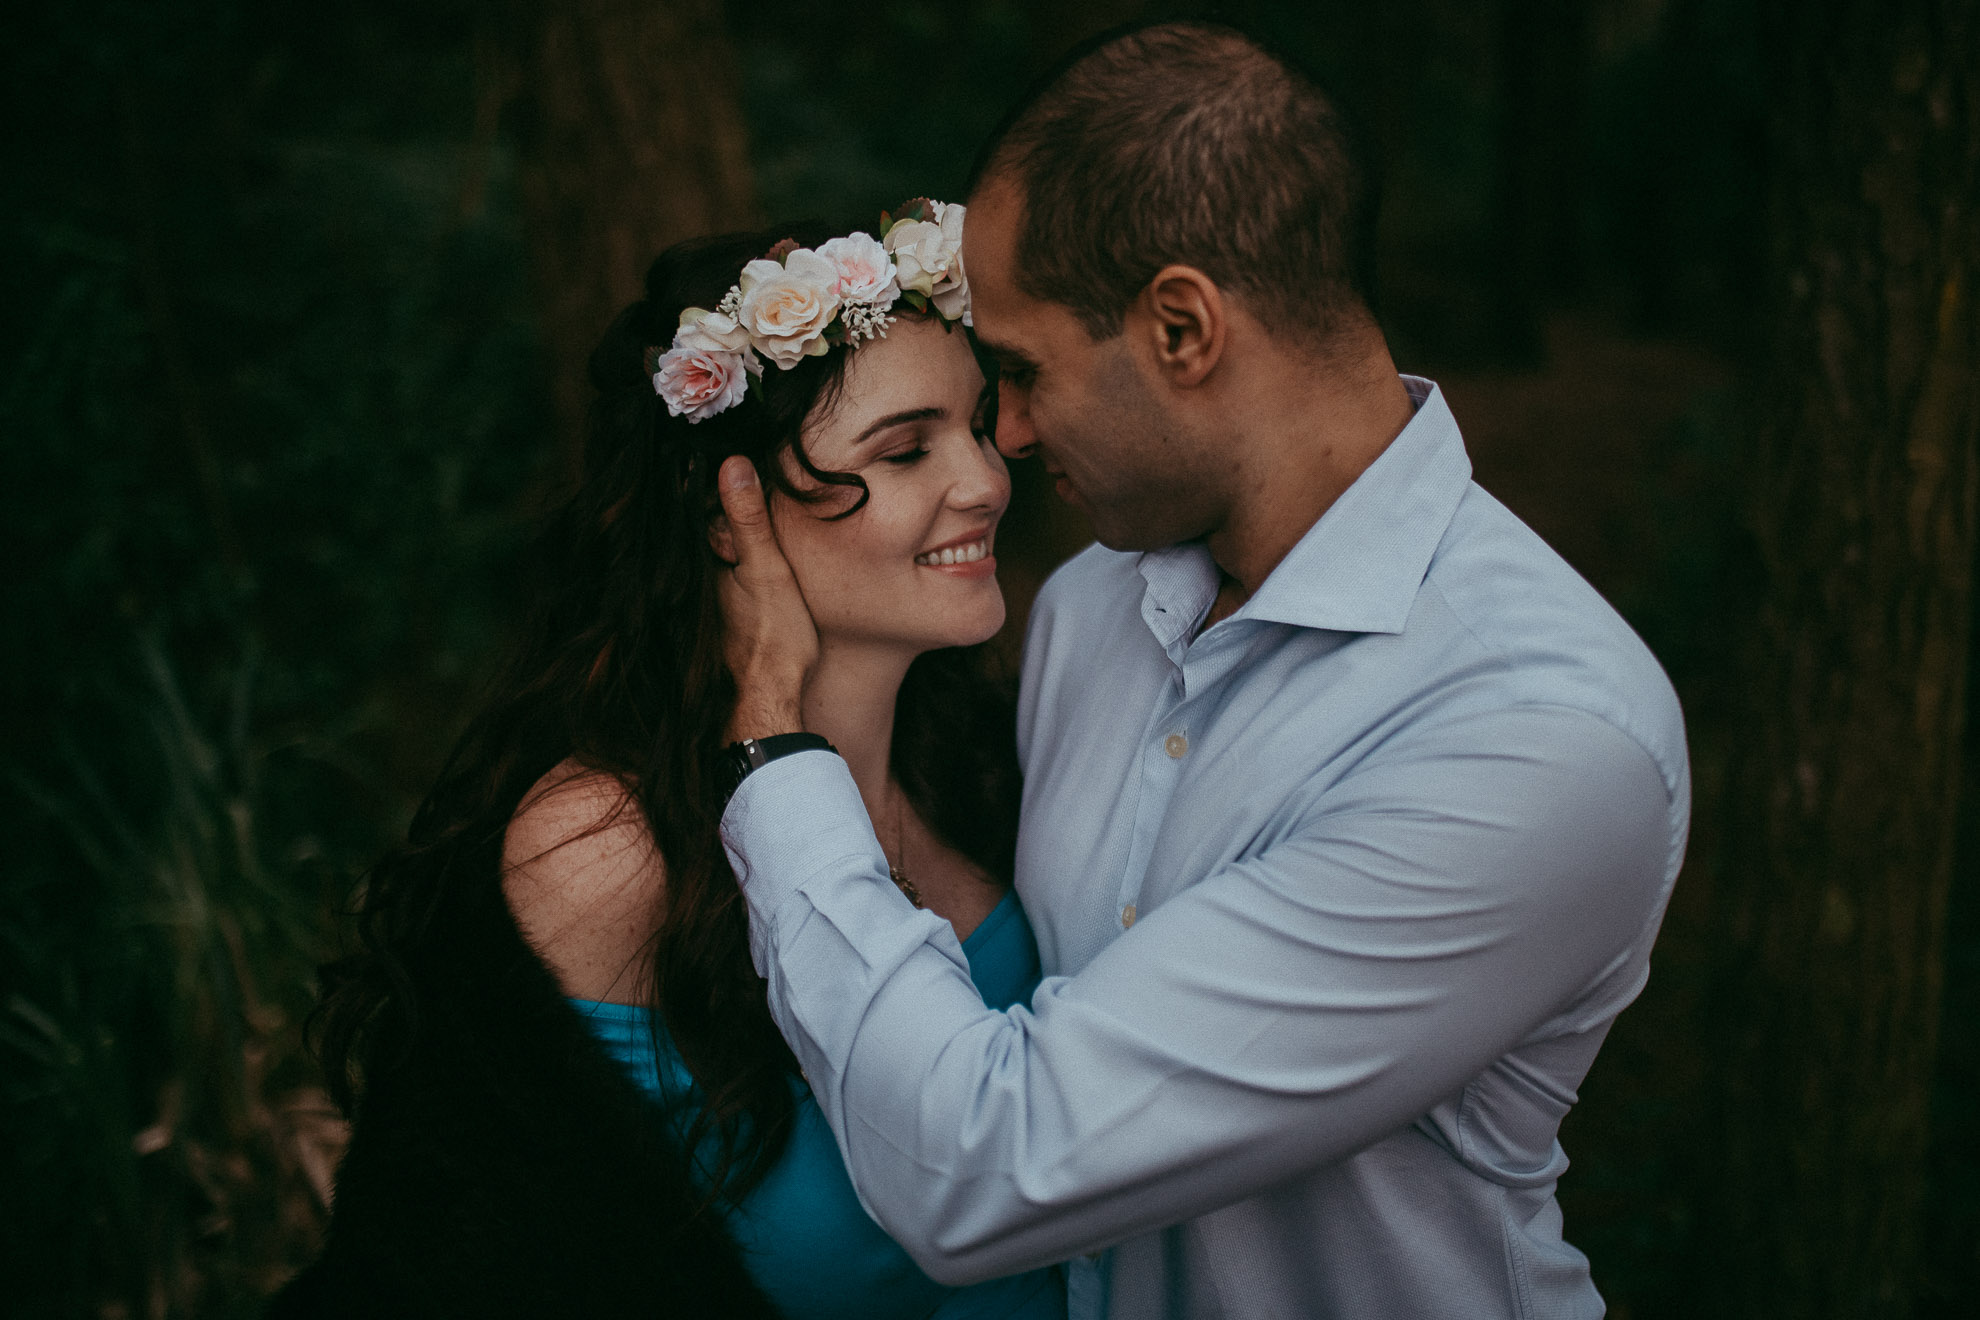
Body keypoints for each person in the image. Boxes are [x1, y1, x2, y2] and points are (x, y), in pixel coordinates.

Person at [712, 21, 1691, 1320]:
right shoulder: (1087, 606)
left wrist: (781, 761)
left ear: (1182, 327)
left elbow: (990, 1166)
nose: (1003, 437)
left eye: (1021, 370)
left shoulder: (1539, 735)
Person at [276, 209, 1065, 1319]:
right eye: (905, 450)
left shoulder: (990, 765)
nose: (986, 481)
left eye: (980, 426)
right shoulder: (605, 851)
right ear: (726, 507)